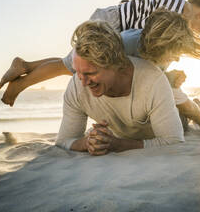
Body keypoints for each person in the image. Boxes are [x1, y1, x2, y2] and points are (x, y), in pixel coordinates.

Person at [0, 0, 200, 106]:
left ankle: (25, 66)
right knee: (73, 66)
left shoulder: (174, 2)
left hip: (112, 19)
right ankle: (20, 84)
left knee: (70, 62)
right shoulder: (180, 12)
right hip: (112, 26)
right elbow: (151, 37)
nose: (197, 33)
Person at [56, 20, 184, 156]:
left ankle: (194, 107)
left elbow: (173, 142)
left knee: (189, 110)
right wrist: (86, 143)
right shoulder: (77, 85)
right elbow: (63, 141)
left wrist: (118, 145)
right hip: (122, 134)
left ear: (115, 64)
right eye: (78, 72)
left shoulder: (153, 80)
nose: (83, 83)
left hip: (176, 119)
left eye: (91, 73)